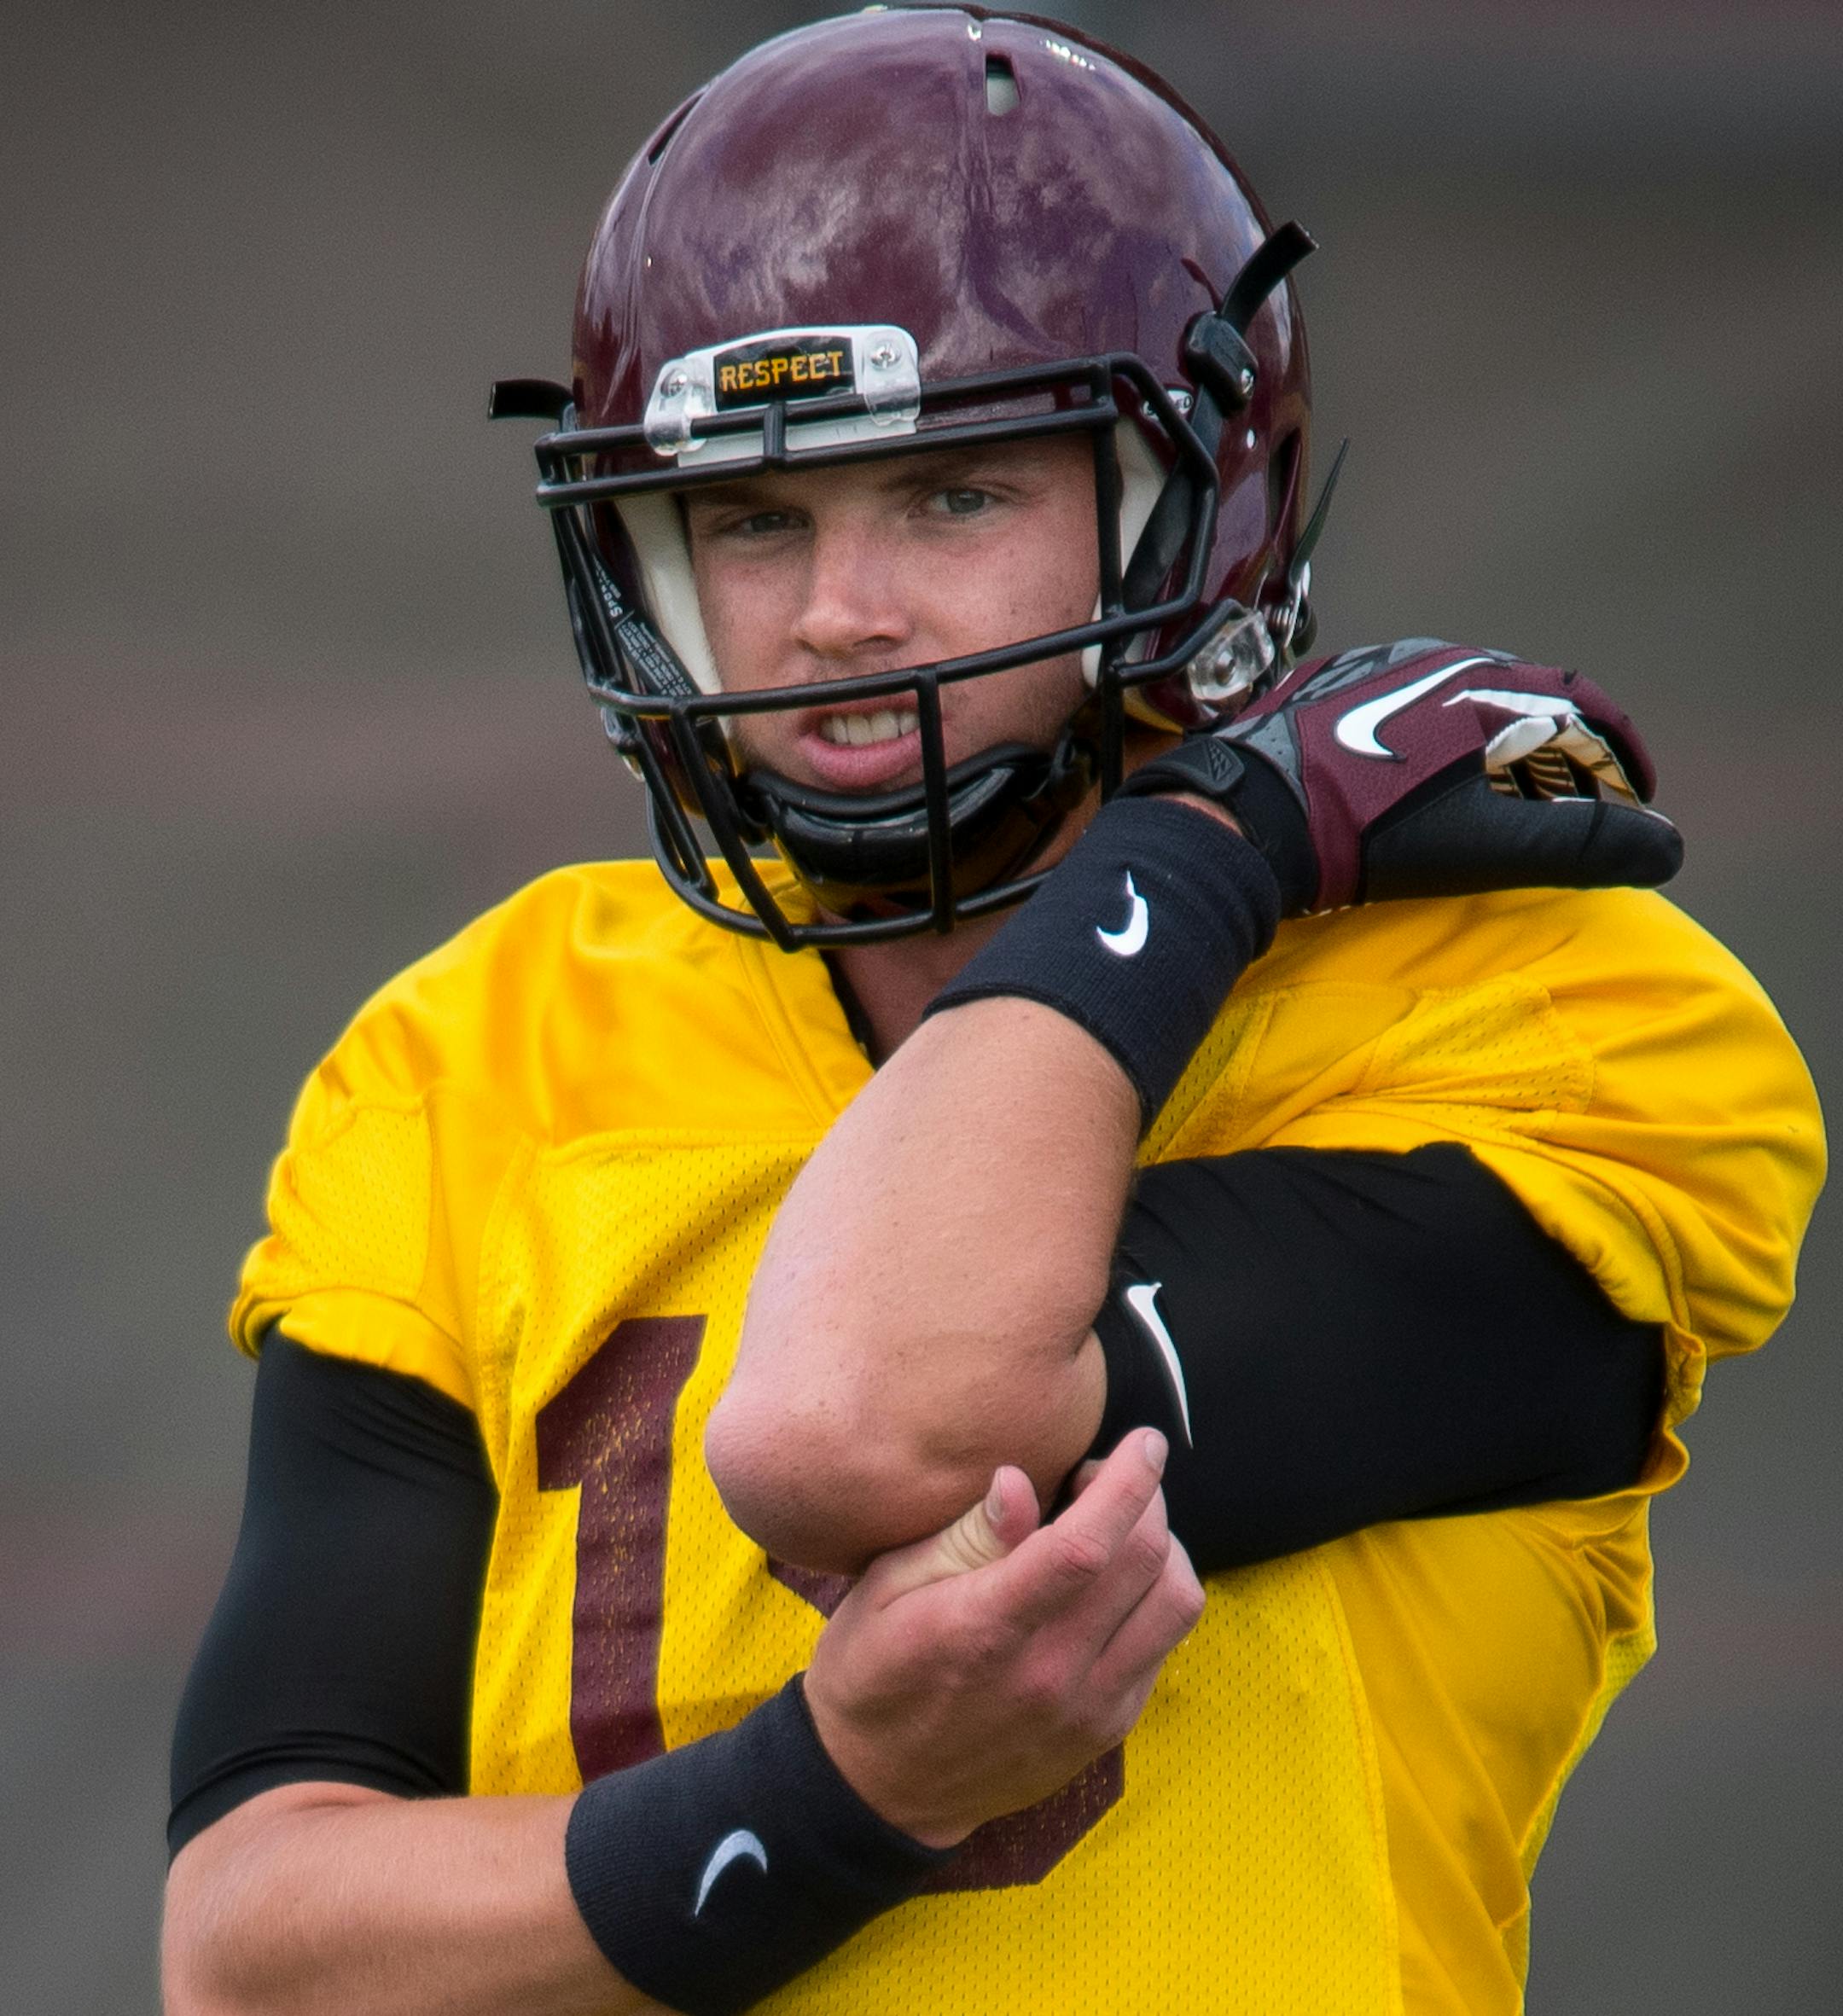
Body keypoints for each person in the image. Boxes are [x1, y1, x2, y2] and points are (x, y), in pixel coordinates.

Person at [161, 10, 1823, 2015]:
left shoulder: (1544, 1010)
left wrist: (1204, 850)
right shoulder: (476, 1049)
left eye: (952, 497)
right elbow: (255, 1957)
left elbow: (868, 1423)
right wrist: (830, 1795)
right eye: (752, 521)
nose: (837, 613)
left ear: (1188, 502)